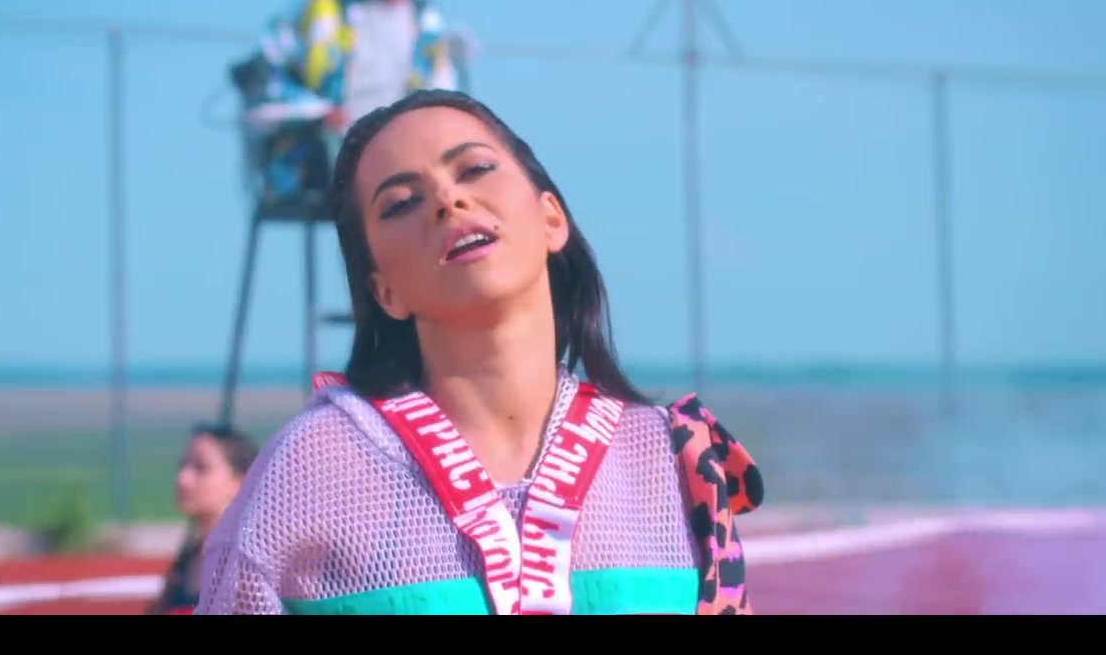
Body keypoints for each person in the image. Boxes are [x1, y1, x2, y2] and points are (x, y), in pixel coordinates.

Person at [194, 89, 764, 616]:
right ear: (384, 292)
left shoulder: (673, 461)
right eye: (400, 203)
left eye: (474, 169)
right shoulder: (307, 472)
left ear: (551, 218)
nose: (449, 199)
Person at [233, 0, 465, 202]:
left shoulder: (427, 18)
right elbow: (260, 76)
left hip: (404, 160)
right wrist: (317, 111)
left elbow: (443, 97)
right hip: (318, 162)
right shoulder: (322, 6)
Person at [147, 423, 260, 615]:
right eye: (183, 466)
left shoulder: (250, 564)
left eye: (201, 468)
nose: (182, 479)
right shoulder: (187, 559)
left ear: (241, 481)